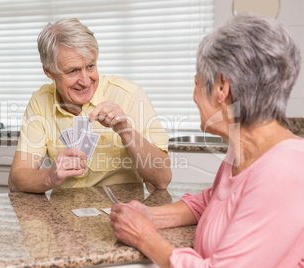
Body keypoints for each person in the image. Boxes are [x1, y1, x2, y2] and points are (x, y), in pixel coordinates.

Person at [109, 13, 304, 268]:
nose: (193, 96)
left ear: (222, 87)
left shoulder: (285, 170)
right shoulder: (243, 148)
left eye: (197, 84)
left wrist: (144, 236)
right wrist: (151, 215)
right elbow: (214, 202)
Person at [8, 18, 172, 193]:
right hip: (62, 215)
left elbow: (162, 180)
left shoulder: (129, 96)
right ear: (48, 71)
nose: (86, 81)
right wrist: (49, 177)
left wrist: (126, 131)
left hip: (119, 213)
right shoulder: (40, 102)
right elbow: (16, 179)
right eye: (73, 71)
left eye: (91, 66)